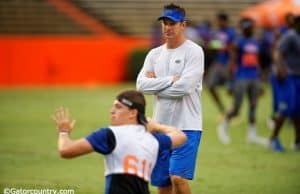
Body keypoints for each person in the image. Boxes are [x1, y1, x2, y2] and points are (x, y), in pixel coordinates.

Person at [52, 90, 187, 194]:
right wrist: (157, 126)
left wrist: (63, 132)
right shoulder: (152, 139)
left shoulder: (109, 134)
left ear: (132, 113)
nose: (112, 111)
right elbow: (181, 136)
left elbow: (65, 151)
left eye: (118, 107)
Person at [136, 3, 204, 194]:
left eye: (172, 23)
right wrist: (168, 81)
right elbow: (141, 85)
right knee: (162, 183)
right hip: (160, 127)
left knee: (178, 178)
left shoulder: (194, 52)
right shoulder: (154, 54)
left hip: (188, 126)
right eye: (165, 23)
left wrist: (156, 86)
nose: (167, 27)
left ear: (183, 25)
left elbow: (183, 88)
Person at [217, 18, 267, 146]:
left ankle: (252, 134)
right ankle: (223, 127)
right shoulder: (238, 42)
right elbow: (232, 62)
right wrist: (229, 82)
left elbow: (257, 61)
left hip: (253, 77)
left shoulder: (255, 42)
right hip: (241, 78)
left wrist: (261, 79)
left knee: (253, 105)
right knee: (237, 108)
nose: (248, 29)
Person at [269, 14, 300, 152]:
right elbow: (277, 53)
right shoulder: (290, 36)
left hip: (297, 78)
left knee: (297, 111)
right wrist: (281, 70)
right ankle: (273, 139)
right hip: (289, 78)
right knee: (285, 109)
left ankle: (297, 142)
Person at [206, 12, 236, 114]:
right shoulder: (217, 32)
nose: (218, 23)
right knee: (210, 85)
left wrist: (232, 65)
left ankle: (234, 110)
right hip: (218, 62)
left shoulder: (231, 32)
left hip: (228, 62)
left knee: (231, 89)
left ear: (225, 21)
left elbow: (233, 48)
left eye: (219, 21)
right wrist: (211, 46)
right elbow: (214, 44)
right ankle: (222, 109)